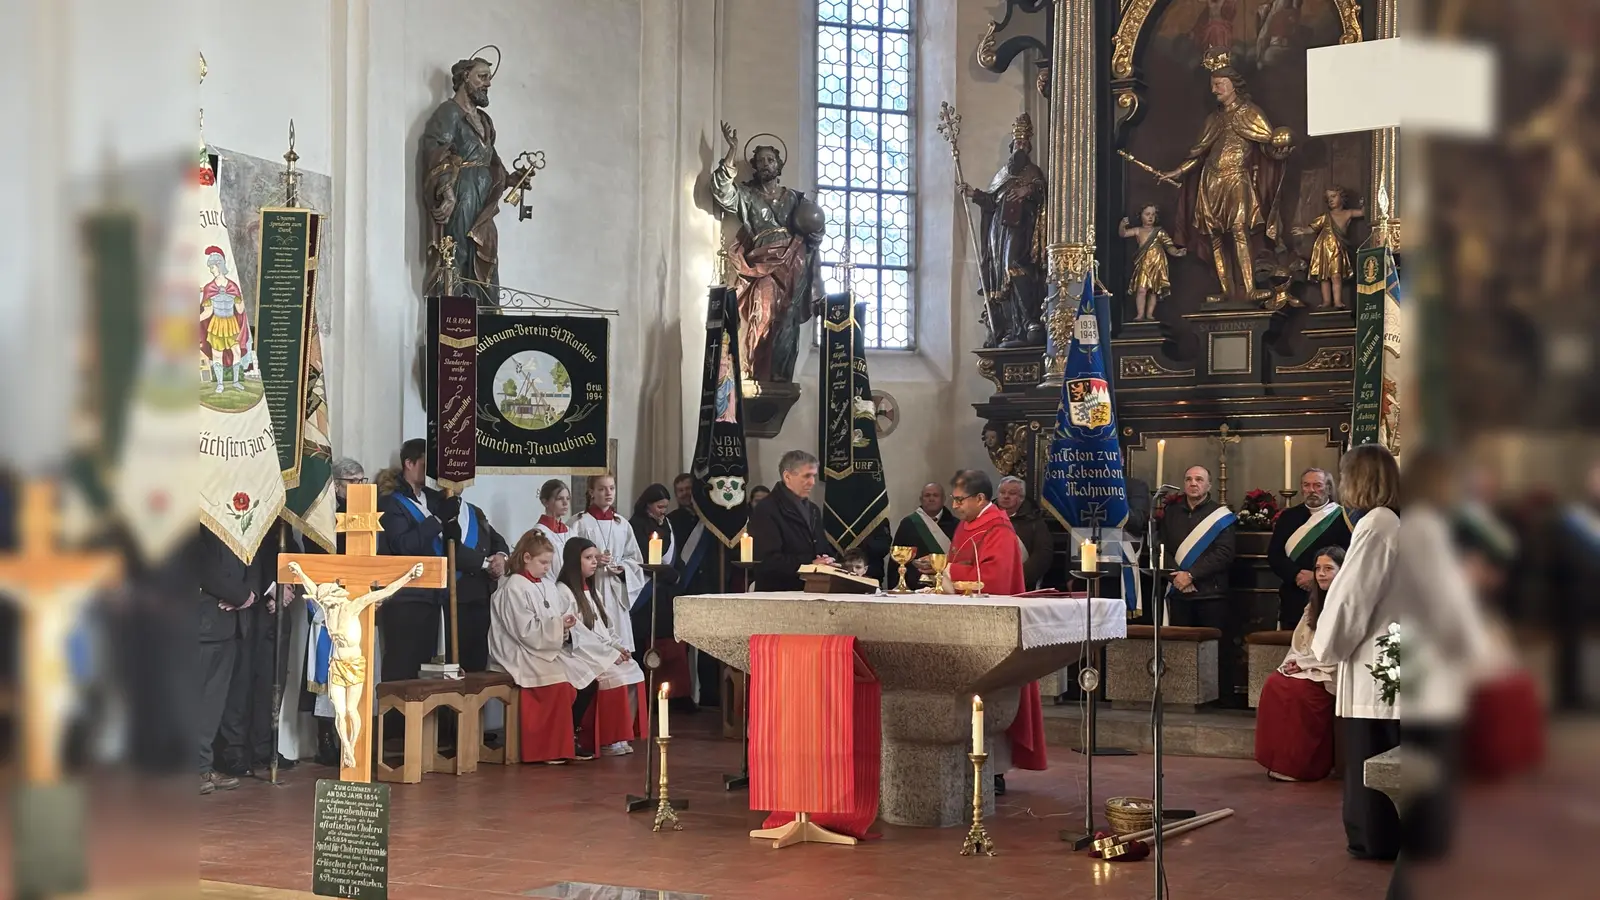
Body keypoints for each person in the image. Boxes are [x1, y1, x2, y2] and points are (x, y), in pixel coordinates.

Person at [1311, 444, 1405, 861]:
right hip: (1387, 653)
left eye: (1346, 475)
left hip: (1376, 659)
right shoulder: (1391, 521)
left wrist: (1324, 646)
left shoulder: (1377, 525)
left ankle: (1376, 838)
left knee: (1372, 751)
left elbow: (1352, 599)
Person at [947, 469, 1048, 788]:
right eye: (953, 499)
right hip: (963, 622)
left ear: (980, 499)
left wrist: (947, 570)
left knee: (992, 696)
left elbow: (995, 580)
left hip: (992, 628)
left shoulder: (999, 528)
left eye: (960, 499)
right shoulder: (967, 524)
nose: (955, 506)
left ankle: (994, 771)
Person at [487, 530, 615, 764]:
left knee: (587, 676)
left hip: (544, 647)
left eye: (549, 563)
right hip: (518, 650)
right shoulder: (513, 586)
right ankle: (547, 750)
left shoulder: (546, 585)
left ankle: (568, 741)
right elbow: (523, 630)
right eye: (543, 562)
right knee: (559, 683)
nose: (548, 568)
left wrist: (564, 625)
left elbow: (556, 617)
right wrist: (557, 626)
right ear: (526, 558)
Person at [419, 56, 510, 306]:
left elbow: (492, 159)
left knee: (486, 253)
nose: (488, 83)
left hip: (484, 199)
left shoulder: (485, 121)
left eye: (489, 78)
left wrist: (511, 178)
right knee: (457, 254)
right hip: (463, 193)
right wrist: (447, 190)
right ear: (464, 78)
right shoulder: (449, 112)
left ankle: (487, 320)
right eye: (482, 76)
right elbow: (437, 148)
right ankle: (453, 320)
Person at [569, 476, 647, 755]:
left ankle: (622, 732)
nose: (608, 493)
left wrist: (622, 568)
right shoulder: (579, 523)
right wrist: (592, 561)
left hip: (614, 595)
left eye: (612, 488)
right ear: (591, 492)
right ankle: (602, 733)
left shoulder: (622, 524)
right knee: (605, 670)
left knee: (626, 661)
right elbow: (570, 558)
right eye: (602, 489)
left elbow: (635, 559)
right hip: (589, 592)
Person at [1255, 546, 1344, 782]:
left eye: (1328, 569)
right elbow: (1299, 641)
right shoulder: (1312, 604)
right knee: (1275, 683)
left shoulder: (1346, 604)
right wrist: (1293, 662)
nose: (1322, 574)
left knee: (1299, 692)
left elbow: (1337, 647)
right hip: (1308, 666)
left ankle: (1305, 765)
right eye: (1318, 569)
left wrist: (1304, 665)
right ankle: (1278, 760)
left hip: (1330, 670)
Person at [216, 520, 297, 779]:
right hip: (250, 605)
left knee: (271, 679)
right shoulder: (249, 507)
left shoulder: (280, 517)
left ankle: (264, 746)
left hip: (278, 607)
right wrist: (271, 589)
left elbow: (291, 552)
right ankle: (234, 751)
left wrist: (287, 587)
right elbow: (246, 553)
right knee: (241, 682)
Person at [960, 113, 1048, 347]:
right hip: (998, 231)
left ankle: (1031, 320)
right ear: (1012, 146)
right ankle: (1012, 326)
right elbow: (991, 201)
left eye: (1023, 144)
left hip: (1022, 228)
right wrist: (973, 194)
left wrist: (1026, 191)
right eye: (1017, 143)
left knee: (1014, 266)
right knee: (1000, 275)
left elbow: (1042, 192)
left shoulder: (1033, 172)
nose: (1020, 147)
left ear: (1028, 148)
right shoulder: (1003, 174)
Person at [557, 537, 645, 757]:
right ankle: (607, 739)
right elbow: (577, 635)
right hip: (578, 654)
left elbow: (605, 627)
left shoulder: (591, 590)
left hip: (599, 651)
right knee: (615, 675)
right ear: (573, 561)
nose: (594, 562)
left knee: (633, 670)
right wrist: (608, 654)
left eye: (596, 558)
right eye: (588, 558)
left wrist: (618, 646)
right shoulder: (564, 591)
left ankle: (621, 734)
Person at [376, 439, 445, 681]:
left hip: (432, 594)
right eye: (426, 465)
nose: (431, 471)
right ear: (409, 463)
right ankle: (395, 719)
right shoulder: (391, 502)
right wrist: (435, 522)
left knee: (426, 668)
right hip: (404, 596)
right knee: (402, 666)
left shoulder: (434, 499)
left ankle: (419, 720)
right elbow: (402, 546)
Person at [195, 528, 252, 794]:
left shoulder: (230, 517)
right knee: (194, 700)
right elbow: (202, 565)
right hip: (200, 621)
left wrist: (247, 594)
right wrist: (240, 596)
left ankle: (202, 767)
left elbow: (248, 558)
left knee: (212, 705)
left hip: (226, 625)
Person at [1268, 467, 1353, 629]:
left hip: (1328, 594)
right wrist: (1295, 574)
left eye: (1317, 485)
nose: (1311, 490)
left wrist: (1315, 576)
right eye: (1306, 485)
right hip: (1293, 593)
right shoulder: (1288, 517)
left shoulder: (1343, 518)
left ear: (1328, 489)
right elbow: (1274, 554)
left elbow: (1348, 556)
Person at [629, 483, 690, 701]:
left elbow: (676, 556)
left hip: (667, 594)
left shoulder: (669, 526)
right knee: (647, 640)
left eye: (665, 507)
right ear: (647, 505)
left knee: (669, 643)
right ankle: (647, 694)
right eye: (659, 507)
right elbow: (643, 557)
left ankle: (673, 694)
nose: (663, 511)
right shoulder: (635, 525)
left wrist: (679, 574)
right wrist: (669, 574)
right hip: (646, 591)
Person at [1158, 466, 1237, 631]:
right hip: (1179, 592)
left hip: (1210, 595)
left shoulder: (1221, 515)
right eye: (1189, 479)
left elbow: (1224, 554)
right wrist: (1177, 578)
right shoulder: (1171, 513)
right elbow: (1160, 548)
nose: (1193, 483)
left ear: (1209, 485)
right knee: (1180, 649)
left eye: (1199, 479)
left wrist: (1191, 575)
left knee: (1210, 650)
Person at [747, 451, 833, 591]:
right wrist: (810, 563)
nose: (812, 482)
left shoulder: (813, 509)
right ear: (787, 476)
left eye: (814, 476)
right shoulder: (767, 509)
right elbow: (768, 560)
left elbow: (821, 547)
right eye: (806, 476)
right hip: (779, 592)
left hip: (813, 589)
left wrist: (828, 560)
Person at [444, 490, 510, 672]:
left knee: (479, 662)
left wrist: (501, 558)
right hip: (456, 596)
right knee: (456, 663)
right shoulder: (438, 507)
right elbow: (448, 547)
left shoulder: (473, 510)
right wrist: (483, 564)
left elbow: (497, 540)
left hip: (481, 595)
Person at [889, 482, 957, 590]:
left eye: (935, 495)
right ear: (921, 499)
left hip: (947, 588)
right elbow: (896, 561)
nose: (931, 499)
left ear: (943, 499)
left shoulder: (956, 525)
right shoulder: (908, 524)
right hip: (914, 588)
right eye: (927, 495)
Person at [995, 476, 1053, 590]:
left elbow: (1042, 555)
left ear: (1021, 498)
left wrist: (1018, 577)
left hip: (1022, 584)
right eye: (1002, 492)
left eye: (1012, 493)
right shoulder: (986, 518)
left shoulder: (1034, 521)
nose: (1006, 496)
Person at [534, 479, 572, 584]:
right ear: (545, 502)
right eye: (559, 499)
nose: (565, 503)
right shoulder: (538, 533)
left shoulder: (571, 532)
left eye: (567, 499)